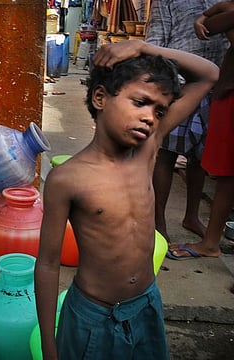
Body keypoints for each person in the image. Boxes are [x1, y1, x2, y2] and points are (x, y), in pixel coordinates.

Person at [34, 40, 218, 359]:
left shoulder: (146, 151)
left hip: (146, 304)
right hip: (93, 316)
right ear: (101, 97)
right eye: (140, 102)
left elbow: (208, 75)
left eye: (159, 110)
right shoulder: (68, 179)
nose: (150, 117)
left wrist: (144, 48)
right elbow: (48, 263)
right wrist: (49, 347)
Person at [144, 0, 228, 243]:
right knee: (167, 153)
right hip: (179, 83)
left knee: (200, 157)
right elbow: (155, 39)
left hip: (215, 84)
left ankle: (191, 216)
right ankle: (158, 222)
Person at [168, 1, 234, 260]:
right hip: (226, 91)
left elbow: (212, 24)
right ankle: (209, 242)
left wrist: (208, 18)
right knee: (225, 176)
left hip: (226, 91)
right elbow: (209, 24)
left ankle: (209, 242)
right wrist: (204, 17)